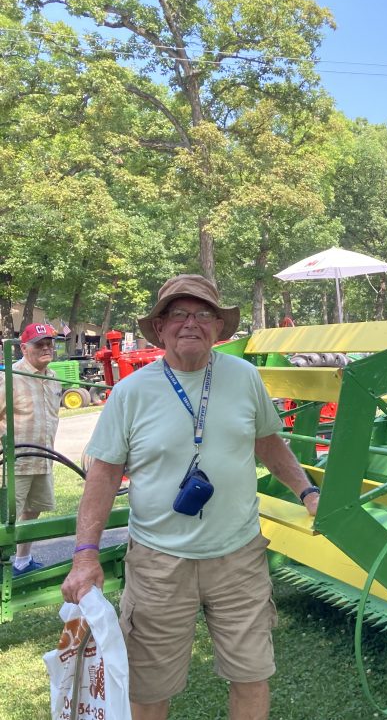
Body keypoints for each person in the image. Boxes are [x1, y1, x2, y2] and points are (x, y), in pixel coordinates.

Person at [61, 275, 320, 720]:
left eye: (203, 314)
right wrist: (85, 555)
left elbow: (269, 442)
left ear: (219, 328)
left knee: (251, 675)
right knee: (148, 685)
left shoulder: (245, 378)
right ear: (160, 327)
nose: (191, 323)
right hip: (158, 565)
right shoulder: (131, 392)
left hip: (238, 558)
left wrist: (308, 490)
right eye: (178, 313)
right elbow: (102, 476)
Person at [0, 323, 61, 576]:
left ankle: (22, 561)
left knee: (32, 510)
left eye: (49, 343)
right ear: (24, 348)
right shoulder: (9, 378)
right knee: (5, 518)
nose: (46, 347)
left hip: (43, 459)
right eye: (39, 344)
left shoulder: (54, 377)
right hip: (16, 461)